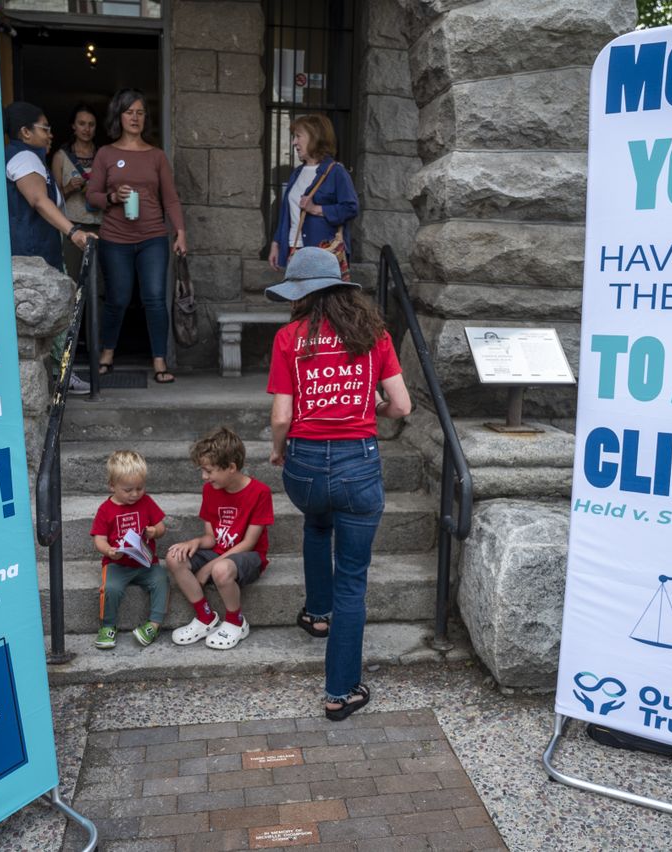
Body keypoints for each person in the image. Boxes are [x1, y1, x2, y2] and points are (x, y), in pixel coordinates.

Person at [266, 248, 412, 721]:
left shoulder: (288, 337)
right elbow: (403, 406)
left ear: (300, 296)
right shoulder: (375, 336)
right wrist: (371, 411)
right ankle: (340, 692)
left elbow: (282, 416)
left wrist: (277, 450)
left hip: (305, 465)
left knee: (315, 523)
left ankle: (316, 614)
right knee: (354, 580)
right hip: (358, 464)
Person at [86, 88, 187, 384]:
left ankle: (159, 360)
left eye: (140, 112)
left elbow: (170, 199)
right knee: (117, 299)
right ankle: (107, 353)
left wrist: (180, 232)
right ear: (119, 115)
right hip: (115, 238)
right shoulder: (106, 153)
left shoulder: (156, 156)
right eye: (129, 112)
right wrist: (113, 197)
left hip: (153, 237)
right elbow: (92, 196)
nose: (135, 117)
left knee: (155, 299)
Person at [4, 101, 93, 394]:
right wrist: (74, 231)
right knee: (54, 316)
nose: (50, 133)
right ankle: (61, 374)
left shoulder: (30, 158)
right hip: (34, 253)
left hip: (39, 250)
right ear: (25, 132)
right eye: (44, 128)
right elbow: (39, 201)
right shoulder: (25, 159)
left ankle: (59, 374)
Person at [165, 427, 273, 650]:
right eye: (202, 471)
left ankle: (236, 622)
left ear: (231, 467)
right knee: (174, 557)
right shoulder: (210, 490)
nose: (204, 476)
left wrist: (208, 567)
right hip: (218, 553)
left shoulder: (260, 492)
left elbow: (248, 543)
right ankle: (205, 616)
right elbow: (212, 538)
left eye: (209, 471)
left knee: (220, 570)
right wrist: (193, 543)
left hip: (247, 557)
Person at [89, 450, 169, 649]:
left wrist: (154, 532)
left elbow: (161, 527)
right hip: (117, 563)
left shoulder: (146, 502)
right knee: (111, 589)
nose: (135, 494)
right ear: (112, 486)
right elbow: (99, 539)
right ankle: (107, 626)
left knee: (162, 580)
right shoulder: (105, 510)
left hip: (145, 562)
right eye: (128, 490)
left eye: (139, 488)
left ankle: (153, 625)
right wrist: (108, 551)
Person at [268, 114, 359, 277]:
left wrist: (316, 208)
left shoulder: (336, 172)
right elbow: (286, 214)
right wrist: (276, 243)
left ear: (315, 136)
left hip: (322, 251)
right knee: (298, 301)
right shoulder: (296, 173)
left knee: (320, 301)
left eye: (298, 136)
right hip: (294, 248)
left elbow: (351, 208)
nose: (294, 142)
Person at [52, 101, 102, 280]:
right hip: (72, 226)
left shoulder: (103, 155)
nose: (86, 129)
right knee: (73, 279)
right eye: (82, 124)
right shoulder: (61, 157)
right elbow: (53, 199)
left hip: (102, 225)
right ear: (73, 126)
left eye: (91, 124)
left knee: (101, 283)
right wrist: (69, 188)